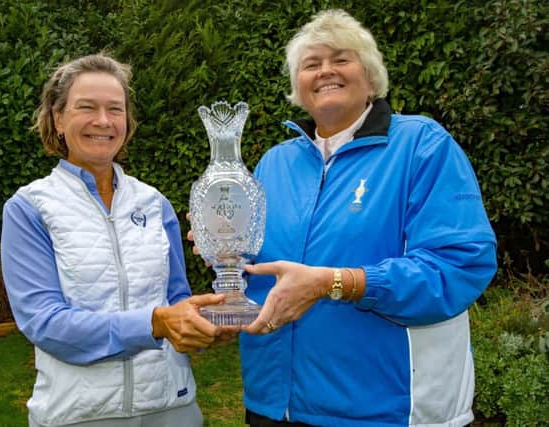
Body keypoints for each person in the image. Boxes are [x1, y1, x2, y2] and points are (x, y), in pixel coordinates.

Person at [192, 9, 498, 427]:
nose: (325, 72)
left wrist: (334, 282)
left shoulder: (421, 145)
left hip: (384, 410)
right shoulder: (274, 163)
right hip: (271, 405)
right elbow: (263, 273)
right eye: (310, 64)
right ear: (297, 88)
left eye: (341, 59)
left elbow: (460, 266)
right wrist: (225, 253)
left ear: (370, 77)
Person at [1, 53, 237, 427]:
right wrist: (155, 324)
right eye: (86, 107)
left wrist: (208, 320)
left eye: (115, 108)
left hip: (171, 407)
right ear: (58, 118)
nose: (103, 121)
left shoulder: (153, 202)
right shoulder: (30, 208)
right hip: (80, 413)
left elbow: (175, 299)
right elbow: (45, 323)